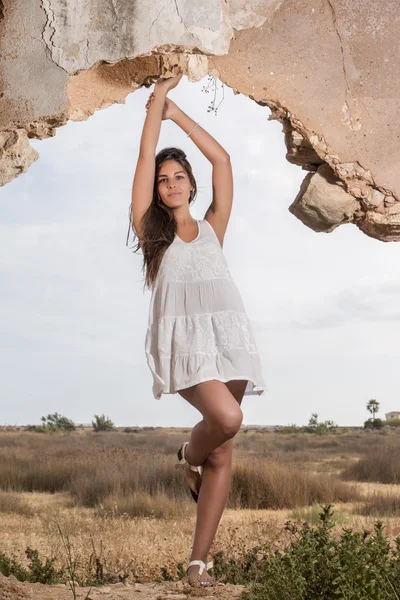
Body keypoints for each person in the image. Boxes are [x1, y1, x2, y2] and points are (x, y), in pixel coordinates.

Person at [126, 70, 266, 588]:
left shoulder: (213, 226)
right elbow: (143, 161)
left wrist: (178, 115)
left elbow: (223, 160)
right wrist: (156, 104)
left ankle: (197, 564)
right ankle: (187, 454)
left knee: (224, 450)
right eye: (164, 180)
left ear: (191, 182)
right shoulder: (152, 235)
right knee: (227, 419)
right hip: (185, 348)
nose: (170, 183)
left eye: (177, 175)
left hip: (228, 343)